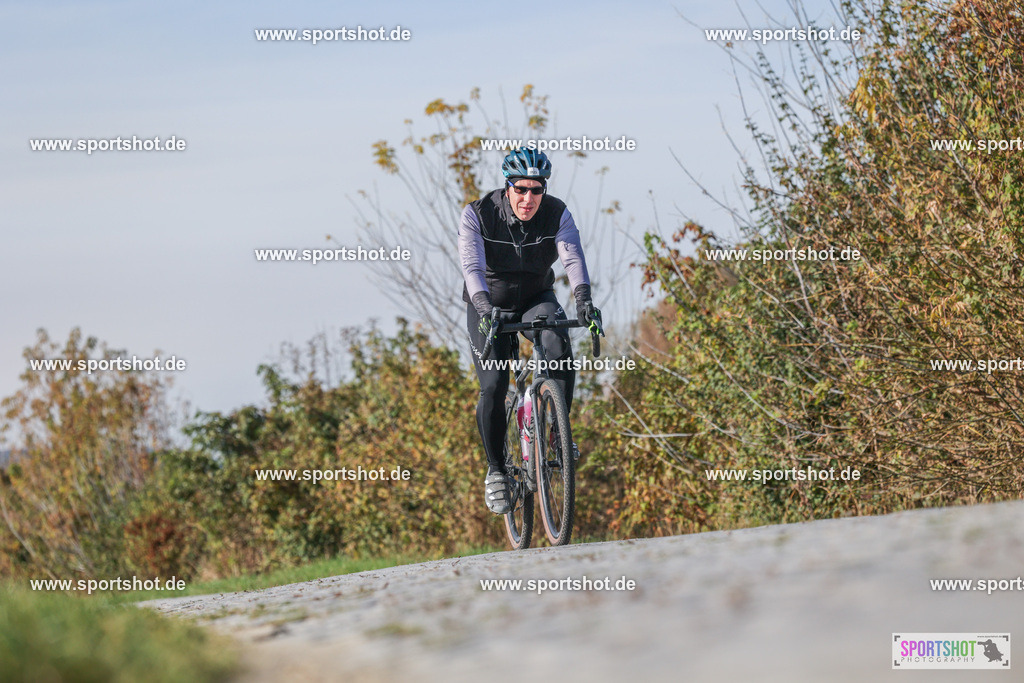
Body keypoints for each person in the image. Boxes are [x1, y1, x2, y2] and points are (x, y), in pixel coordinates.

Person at [458, 147, 602, 515]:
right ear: (507, 187)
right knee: (494, 385)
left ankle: (557, 433)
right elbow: (472, 267)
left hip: (536, 298)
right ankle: (496, 470)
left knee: (558, 345)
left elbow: (572, 257)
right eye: (520, 189)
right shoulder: (478, 214)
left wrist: (584, 301)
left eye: (536, 190)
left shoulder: (557, 212)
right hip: (489, 304)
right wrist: (485, 309)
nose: (528, 198)